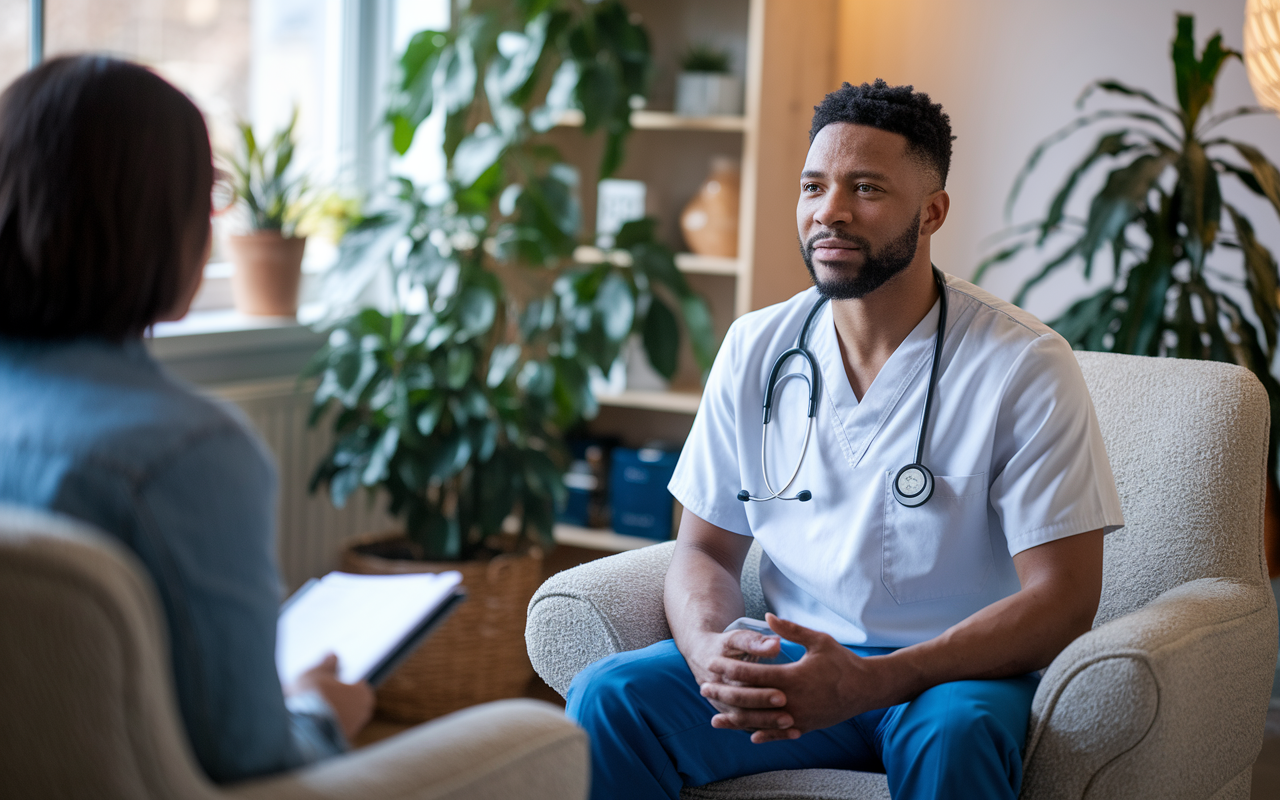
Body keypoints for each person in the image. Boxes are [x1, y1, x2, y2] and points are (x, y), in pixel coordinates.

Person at [565, 79, 1125, 800]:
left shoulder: (1021, 363)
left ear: (932, 212)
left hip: (948, 678)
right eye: (813, 186)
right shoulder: (755, 346)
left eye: (865, 188)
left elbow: (1063, 598)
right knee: (611, 696)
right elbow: (704, 548)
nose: (829, 212)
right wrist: (709, 653)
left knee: (955, 735)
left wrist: (874, 680)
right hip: (789, 656)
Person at [0, 56, 373, 783]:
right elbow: (249, 759)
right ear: (164, 224)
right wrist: (319, 711)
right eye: (210, 197)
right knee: (532, 741)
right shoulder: (185, 453)